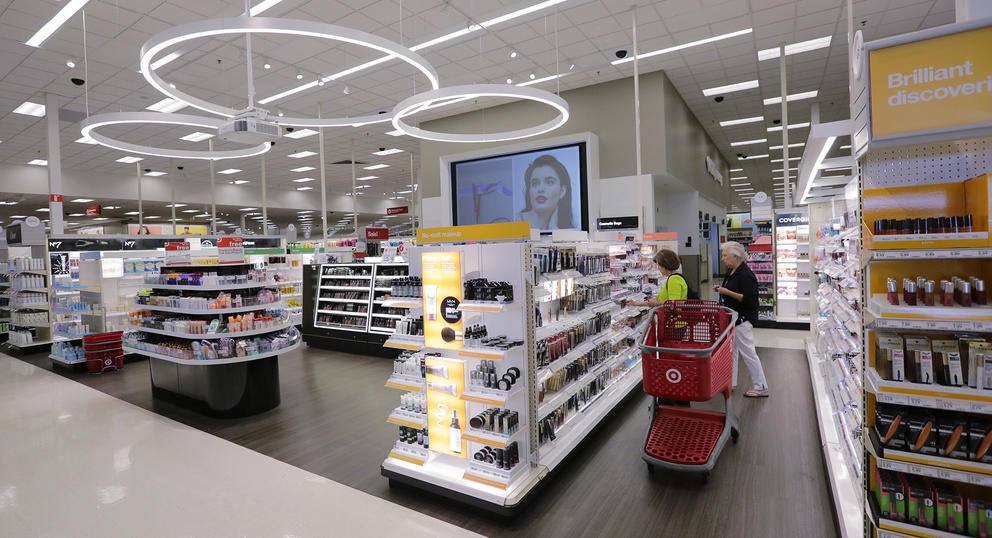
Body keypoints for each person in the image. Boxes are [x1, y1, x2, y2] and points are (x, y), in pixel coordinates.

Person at [713, 241, 769, 398]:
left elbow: (750, 300)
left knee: (748, 353)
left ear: (735, 256)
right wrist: (722, 290)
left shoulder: (746, 275)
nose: (723, 259)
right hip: (732, 319)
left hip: (742, 319)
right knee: (733, 352)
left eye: (725, 255)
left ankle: (761, 386)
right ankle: (731, 382)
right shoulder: (732, 272)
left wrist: (727, 292)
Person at [518, 154, 574, 230]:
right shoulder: (515, 222)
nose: (540, 189)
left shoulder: (566, 229)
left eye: (549, 182)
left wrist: (553, 229)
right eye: (535, 183)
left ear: (562, 191)